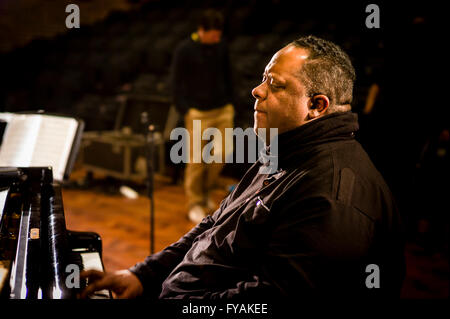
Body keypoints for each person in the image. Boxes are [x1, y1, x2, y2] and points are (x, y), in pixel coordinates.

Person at [80, 35, 405, 299]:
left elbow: (265, 302)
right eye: (263, 79)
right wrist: (143, 275)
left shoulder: (332, 198)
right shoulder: (282, 150)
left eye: (275, 85)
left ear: (315, 106)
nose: (256, 90)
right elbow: (215, 225)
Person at [171, 9, 234, 223]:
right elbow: (176, 83)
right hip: (197, 112)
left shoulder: (222, 46)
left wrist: (232, 102)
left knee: (222, 153)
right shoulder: (184, 50)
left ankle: (206, 192)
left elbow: (229, 74)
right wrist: (186, 109)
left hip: (223, 109)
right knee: (196, 160)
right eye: (213, 34)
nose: (217, 38)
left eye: (219, 34)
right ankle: (194, 203)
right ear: (201, 31)